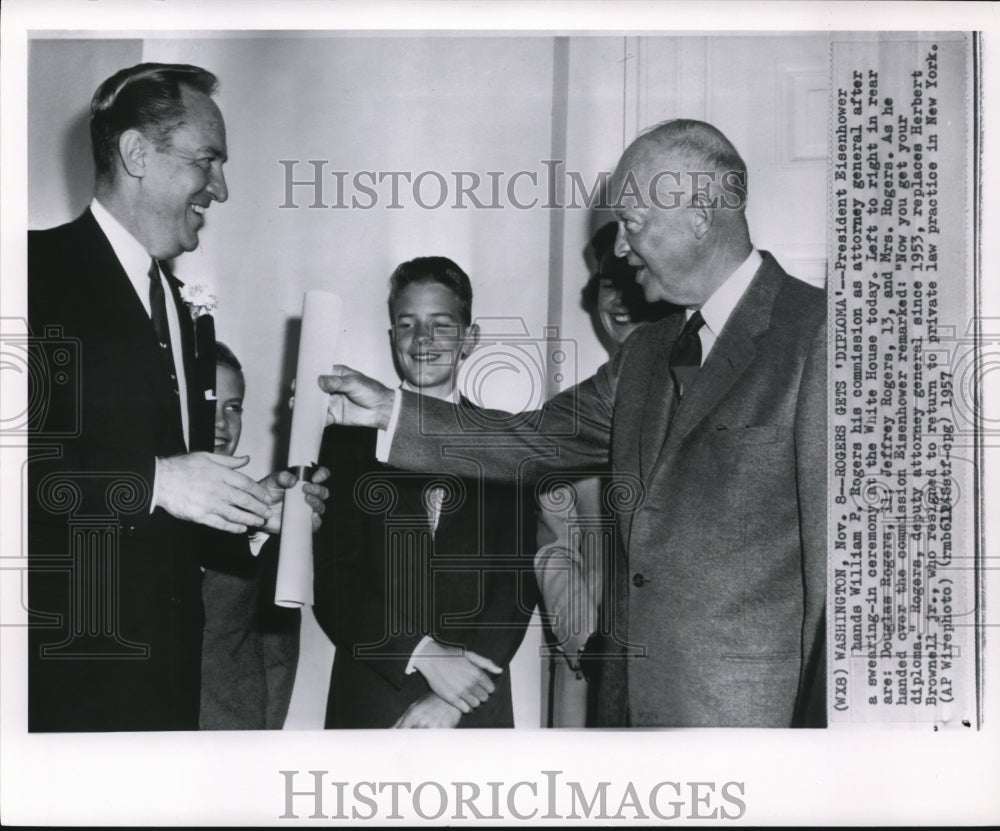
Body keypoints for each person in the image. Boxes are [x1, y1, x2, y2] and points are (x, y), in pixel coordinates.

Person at [318, 119, 827, 728]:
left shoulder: (821, 335)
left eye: (631, 224)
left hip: (752, 727)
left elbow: (843, 585)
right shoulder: (645, 353)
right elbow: (533, 439)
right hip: (627, 717)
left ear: (699, 213)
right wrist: (389, 411)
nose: (618, 249)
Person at [27, 63, 325, 732]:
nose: (220, 187)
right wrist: (155, 481)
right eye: (207, 160)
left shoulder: (186, 315)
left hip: (169, 686)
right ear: (137, 153)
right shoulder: (29, 276)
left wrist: (254, 511)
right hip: (63, 686)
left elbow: (175, 516)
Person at [312, 256, 536, 729]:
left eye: (441, 324)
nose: (423, 340)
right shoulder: (345, 443)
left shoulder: (503, 442)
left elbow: (516, 585)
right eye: (407, 324)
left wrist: (454, 700)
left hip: (475, 705)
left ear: (469, 340)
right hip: (373, 698)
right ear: (393, 338)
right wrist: (422, 654)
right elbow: (334, 582)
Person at [536, 222, 673, 727]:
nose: (618, 300)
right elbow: (554, 547)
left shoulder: (698, 396)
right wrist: (588, 643)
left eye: (630, 280)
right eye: (605, 283)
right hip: (592, 671)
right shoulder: (570, 416)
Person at [200, 343, 315, 730]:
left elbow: (278, 654)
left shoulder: (266, 516)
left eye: (233, 407)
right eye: (208, 401)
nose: (221, 423)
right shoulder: (132, 506)